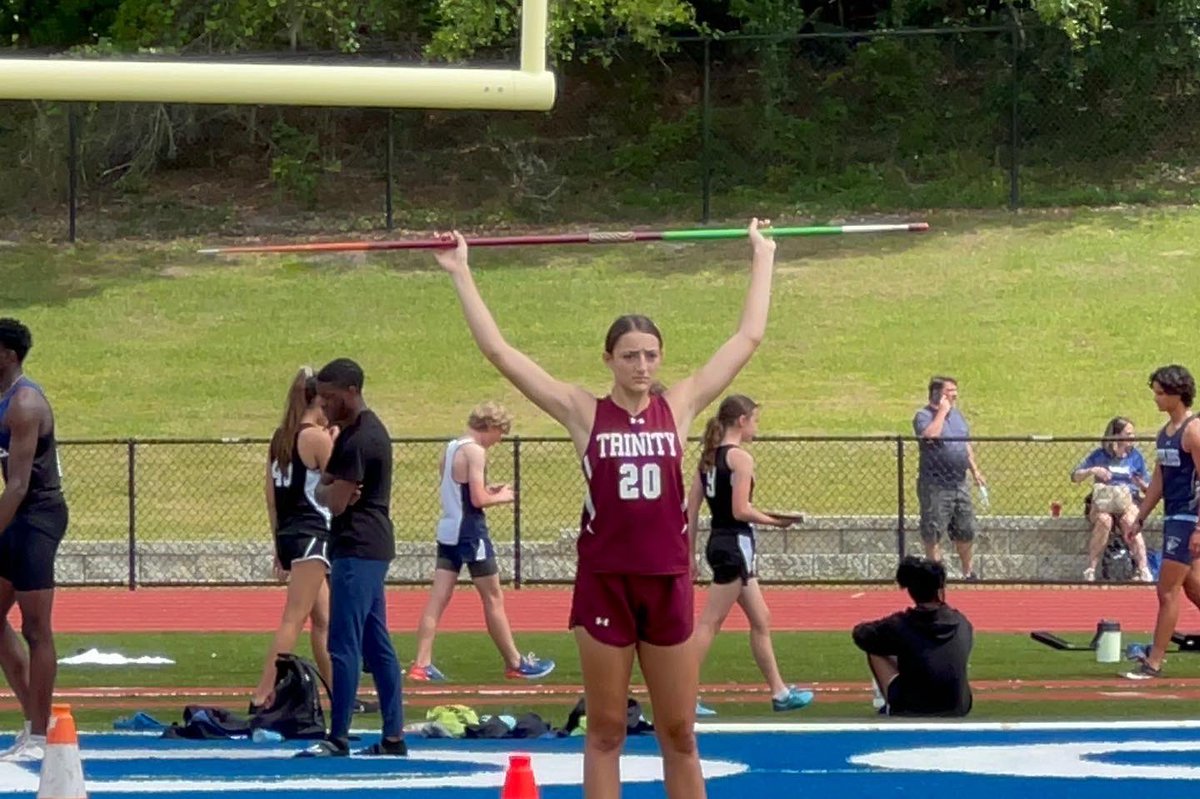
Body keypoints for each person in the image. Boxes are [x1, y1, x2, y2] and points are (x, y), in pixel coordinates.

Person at [436, 218, 777, 799]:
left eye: (650, 355)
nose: (641, 366)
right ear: (609, 359)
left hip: (666, 579)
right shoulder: (582, 410)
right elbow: (501, 353)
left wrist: (762, 255)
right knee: (606, 731)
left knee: (680, 732)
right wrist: (462, 273)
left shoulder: (683, 403)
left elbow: (747, 339)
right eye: (629, 356)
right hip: (605, 583)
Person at [298, 358, 406, 757]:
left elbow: (334, 500)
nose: (324, 406)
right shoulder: (363, 432)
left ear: (352, 391)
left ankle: (338, 734)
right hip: (371, 545)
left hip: (356, 547)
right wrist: (330, 488)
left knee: (344, 642)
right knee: (376, 643)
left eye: (329, 397)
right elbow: (331, 489)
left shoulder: (358, 439)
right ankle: (393, 735)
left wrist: (328, 489)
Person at [409, 401, 555, 682]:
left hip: (449, 528)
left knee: (438, 599)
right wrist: (501, 496)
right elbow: (477, 500)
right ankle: (515, 662)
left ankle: (421, 663)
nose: (499, 440)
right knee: (493, 597)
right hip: (470, 531)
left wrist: (488, 490)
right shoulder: (475, 451)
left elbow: (460, 492)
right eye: (500, 433)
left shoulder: (451, 448)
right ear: (489, 427)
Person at [686, 394, 813, 713]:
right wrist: (775, 521)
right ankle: (681, 694)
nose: (756, 426)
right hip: (735, 544)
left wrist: (690, 554)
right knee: (709, 624)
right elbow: (741, 510)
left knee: (761, 618)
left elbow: (691, 510)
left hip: (720, 541)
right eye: (754, 419)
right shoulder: (740, 459)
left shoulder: (708, 458)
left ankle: (779, 692)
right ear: (741, 421)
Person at [0, 319, 67, 762]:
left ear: (7, 354)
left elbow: (20, 484)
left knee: (37, 627)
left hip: (37, 515)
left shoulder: (25, 403)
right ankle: (32, 722)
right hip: (15, 516)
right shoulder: (4, 400)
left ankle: (41, 735)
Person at [250, 367, 335, 712]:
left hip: (290, 533)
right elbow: (339, 480)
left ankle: (338, 693)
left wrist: (277, 546)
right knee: (294, 618)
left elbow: (271, 496)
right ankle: (261, 692)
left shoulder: (280, 437)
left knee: (326, 619)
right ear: (318, 398)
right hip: (312, 535)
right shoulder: (316, 437)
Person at [1125, 365, 1200, 680]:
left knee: (1166, 589)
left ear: (1176, 394)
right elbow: (1160, 478)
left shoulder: (1194, 431)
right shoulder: (1165, 433)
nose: (1155, 398)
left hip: (1189, 518)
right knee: (1194, 586)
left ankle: (1153, 662)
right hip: (1174, 516)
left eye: (1159, 393)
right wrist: (1140, 515)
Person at [851, 556, 973, 717]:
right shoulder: (962, 622)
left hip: (913, 708)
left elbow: (861, 635)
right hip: (958, 707)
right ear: (940, 589)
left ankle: (886, 705)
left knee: (875, 648)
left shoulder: (901, 624)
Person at [913, 376, 987, 579]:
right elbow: (930, 435)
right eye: (950, 390)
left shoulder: (958, 417)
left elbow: (965, 444)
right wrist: (942, 411)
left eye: (955, 390)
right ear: (938, 393)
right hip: (935, 485)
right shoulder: (923, 415)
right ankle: (934, 577)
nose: (955, 394)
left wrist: (975, 471)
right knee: (934, 530)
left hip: (959, 483)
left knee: (965, 529)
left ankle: (968, 572)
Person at [1071, 416, 1153, 582]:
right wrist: (1093, 470)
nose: (1132, 438)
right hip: (1104, 501)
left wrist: (1139, 482)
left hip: (1127, 500)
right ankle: (1091, 569)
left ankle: (1143, 568)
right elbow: (1075, 477)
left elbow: (1148, 487)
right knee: (1104, 521)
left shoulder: (1135, 456)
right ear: (1116, 435)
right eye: (1128, 434)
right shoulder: (1099, 455)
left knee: (1130, 521)